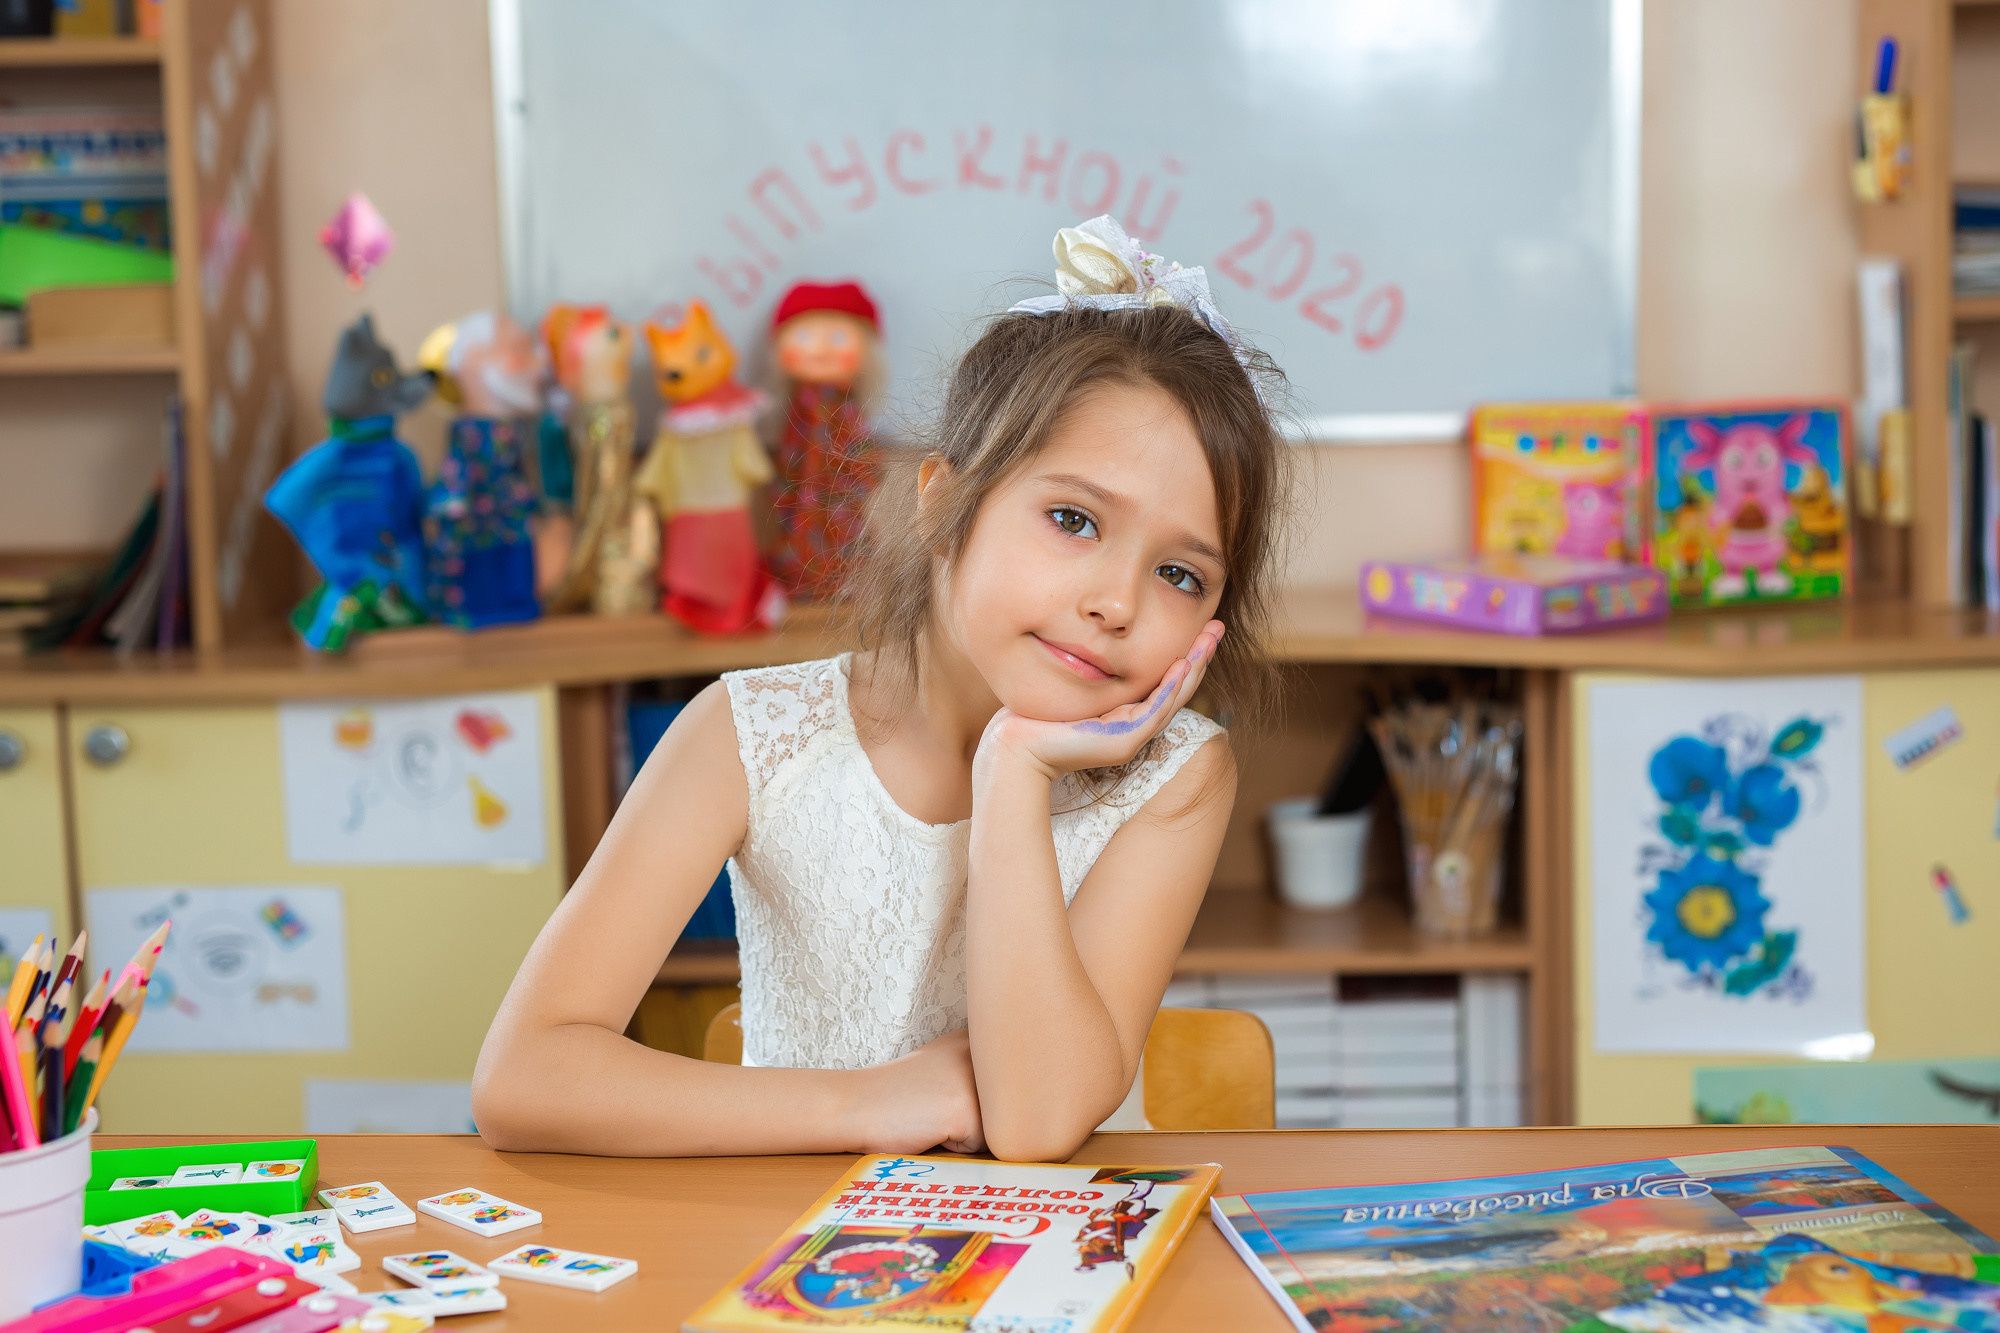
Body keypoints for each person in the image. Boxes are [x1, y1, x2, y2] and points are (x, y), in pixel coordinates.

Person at [473, 216, 1289, 1160]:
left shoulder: (1180, 772)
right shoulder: (752, 732)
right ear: (944, 502)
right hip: (796, 1272)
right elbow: (522, 1076)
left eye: (1181, 576)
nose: (1115, 602)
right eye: (1073, 518)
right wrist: (876, 1103)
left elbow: (1035, 1120)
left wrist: (1014, 773)